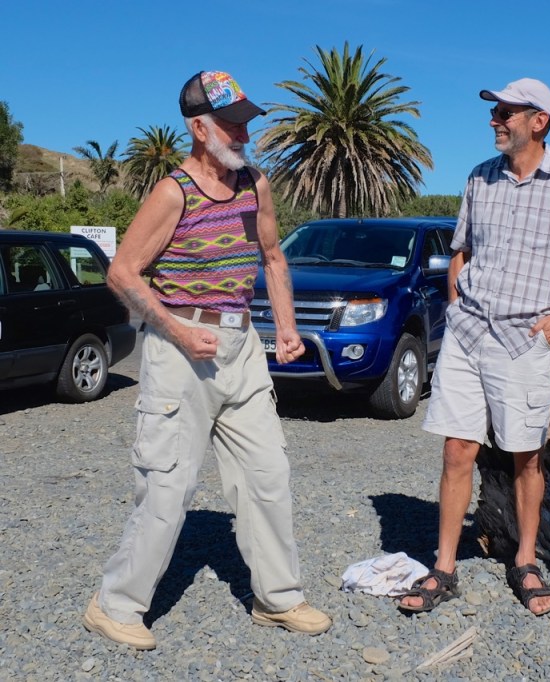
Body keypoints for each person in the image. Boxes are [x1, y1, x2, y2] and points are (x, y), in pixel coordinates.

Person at [83, 71, 331, 650]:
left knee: (268, 476)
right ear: (199, 127)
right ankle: (115, 605)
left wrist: (287, 330)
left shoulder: (255, 184)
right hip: (180, 353)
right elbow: (122, 272)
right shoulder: (174, 192)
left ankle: (278, 598)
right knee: (167, 485)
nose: (244, 131)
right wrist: (173, 328)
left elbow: (272, 256)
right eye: (231, 121)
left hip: (243, 348)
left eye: (246, 120)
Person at [397, 78, 550, 616]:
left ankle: (525, 560)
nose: (494, 120)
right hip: (469, 335)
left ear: (538, 121)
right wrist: (455, 303)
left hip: (524, 343)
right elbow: (462, 251)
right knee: (457, 451)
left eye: (505, 112)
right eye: (494, 112)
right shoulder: (480, 177)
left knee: (526, 457)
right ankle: (444, 567)